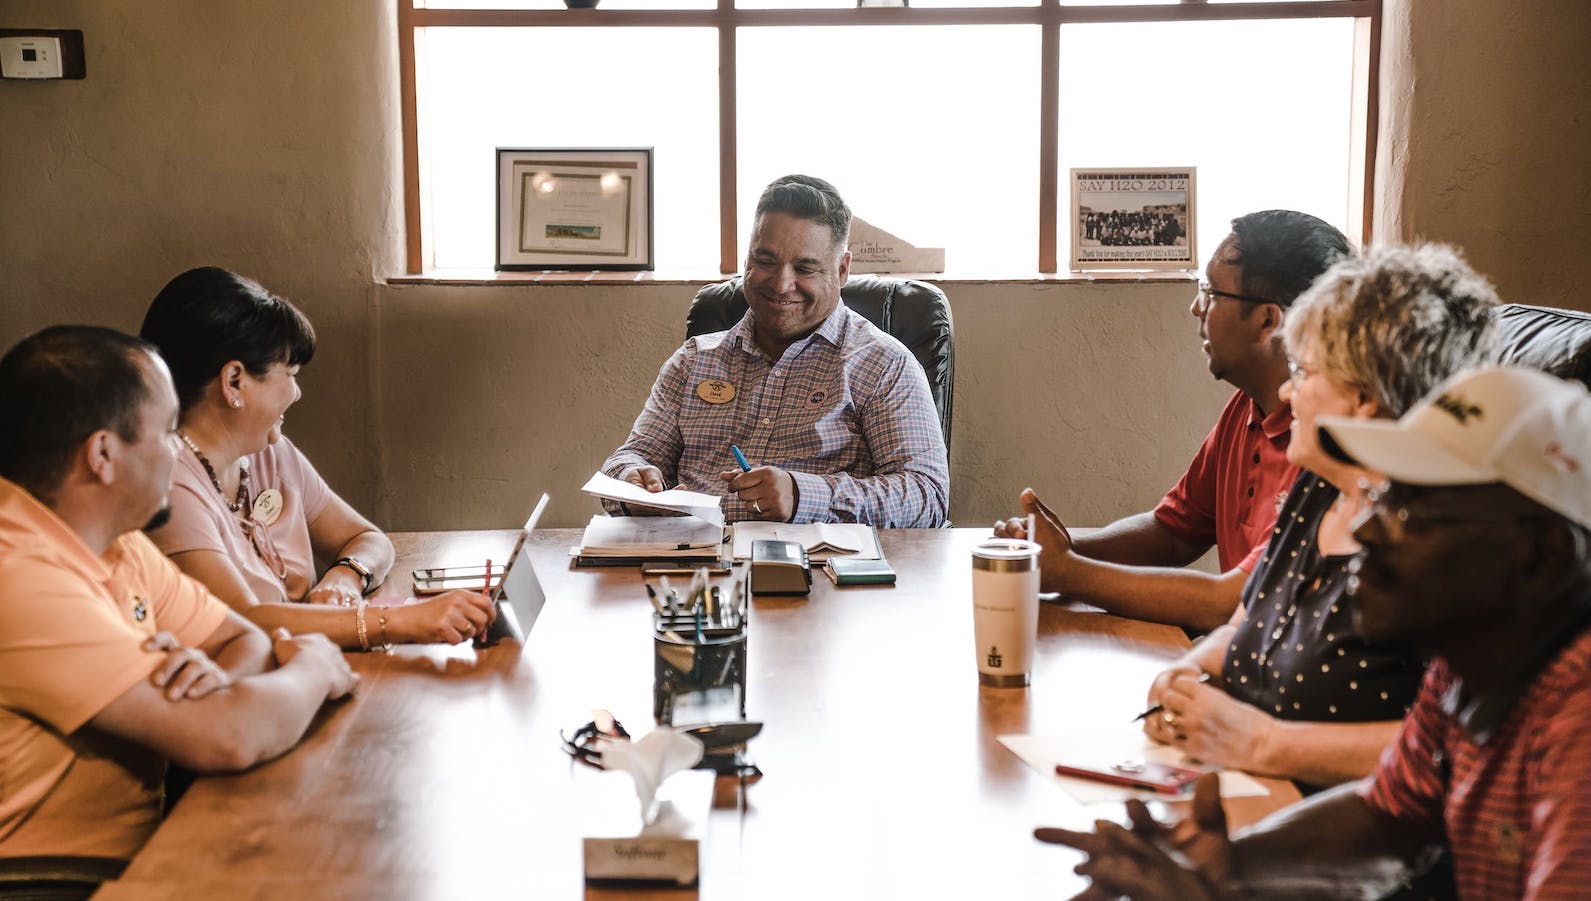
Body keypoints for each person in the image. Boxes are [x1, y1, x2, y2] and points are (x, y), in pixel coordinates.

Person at [1038, 365, 1591, 901]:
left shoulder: (1577, 727)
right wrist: (1225, 865)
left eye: (1415, 512)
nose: (1368, 528)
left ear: (1541, 556)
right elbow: (1387, 816)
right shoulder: (1470, 670)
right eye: (1383, 496)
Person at [1137, 244, 1498, 791]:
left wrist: (1263, 742)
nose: (1286, 390)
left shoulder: (1439, 541)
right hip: (1247, 789)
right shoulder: (1318, 489)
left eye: (1304, 371)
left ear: (1365, 398)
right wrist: (1191, 674)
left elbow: (1460, 745)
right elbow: (1246, 623)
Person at [0, 326, 356, 869]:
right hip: (48, 877)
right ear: (103, 454)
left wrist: (223, 686)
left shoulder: (116, 540)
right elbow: (229, 737)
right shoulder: (20, 575)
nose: (178, 452)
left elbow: (244, 637)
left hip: (140, 848)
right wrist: (317, 667)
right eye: (168, 432)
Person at [997, 210, 1351, 630]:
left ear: (1267, 320)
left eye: (1212, 292)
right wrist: (1055, 548)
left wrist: (1069, 571)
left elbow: (1230, 603)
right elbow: (1173, 534)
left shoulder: (1325, 438)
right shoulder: (1246, 408)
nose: (1195, 308)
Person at [141, 267, 494, 650]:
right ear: (234, 382)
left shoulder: (267, 452)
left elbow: (368, 539)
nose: (296, 393)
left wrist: (344, 576)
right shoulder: (168, 484)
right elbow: (243, 620)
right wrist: (398, 620)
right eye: (290, 373)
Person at [600, 175, 949, 527]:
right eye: (765, 261)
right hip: (693, 568)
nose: (781, 284)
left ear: (842, 270)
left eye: (805, 268)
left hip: (818, 568)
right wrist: (631, 480)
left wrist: (803, 495)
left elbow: (927, 497)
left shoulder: (883, 365)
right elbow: (634, 456)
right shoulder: (693, 361)